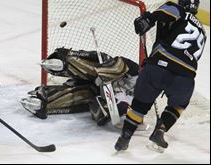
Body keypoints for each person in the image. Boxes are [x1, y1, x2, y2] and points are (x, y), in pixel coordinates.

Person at [115, 0, 207, 152]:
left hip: (158, 68)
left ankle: (125, 137)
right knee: (178, 105)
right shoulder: (203, 32)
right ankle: (160, 130)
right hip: (185, 78)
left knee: (139, 105)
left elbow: (165, 12)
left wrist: (149, 19)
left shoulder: (178, 9)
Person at [20, 47, 148, 129]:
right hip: (99, 71)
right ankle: (65, 62)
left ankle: (44, 101)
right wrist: (106, 73)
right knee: (103, 63)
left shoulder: (134, 101)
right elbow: (123, 63)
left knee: (82, 98)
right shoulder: (138, 77)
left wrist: (107, 107)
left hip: (96, 91)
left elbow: (120, 109)